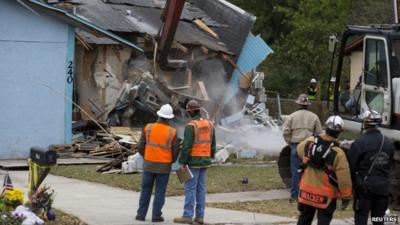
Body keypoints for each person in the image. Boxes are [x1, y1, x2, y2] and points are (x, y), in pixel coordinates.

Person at [296, 116, 353, 225]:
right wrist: (346, 196)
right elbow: (344, 177)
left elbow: (299, 151)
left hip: (305, 193)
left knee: (303, 219)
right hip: (326, 197)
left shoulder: (310, 142)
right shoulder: (338, 152)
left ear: (325, 127)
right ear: (339, 132)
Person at [347, 110, 394, 225]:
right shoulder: (388, 143)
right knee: (378, 219)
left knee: (361, 218)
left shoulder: (359, 143)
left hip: (364, 189)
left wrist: (354, 186)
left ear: (365, 124)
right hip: (382, 189)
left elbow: (351, 167)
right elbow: (389, 165)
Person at [135, 104, 180, 222]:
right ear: (170, 118)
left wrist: (146, 156)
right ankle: (156, 216)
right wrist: (171, 161)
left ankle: (141, 215)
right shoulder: (173, 132)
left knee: (145, 190)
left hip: (148, 164)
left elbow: (140, 146)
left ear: (159, 115)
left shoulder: (148, 128)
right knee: (160, 191)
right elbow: (175, 152)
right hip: (164, 167)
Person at [174, 100, 216, 225]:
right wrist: (210, 157)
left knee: (190, 188)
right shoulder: (209, 124)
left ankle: (187, 215)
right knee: (201, 189)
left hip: (193, 161)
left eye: (188, 111)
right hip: (205, 161)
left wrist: (182, 162)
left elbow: (187, 147)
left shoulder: (191, 126)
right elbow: (213, 144)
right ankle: (200, 217)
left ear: (191, 111)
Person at [282, 94, 323, 202]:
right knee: (310, 171)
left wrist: (289, 143)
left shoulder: (291, 116)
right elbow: (319, 133)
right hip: (309, 146)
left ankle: (295, 195)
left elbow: (285, 132)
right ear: (308, 105)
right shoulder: (314, 117)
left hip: (296, 146)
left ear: (298, 104)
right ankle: (309, 194)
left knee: (296, 171)